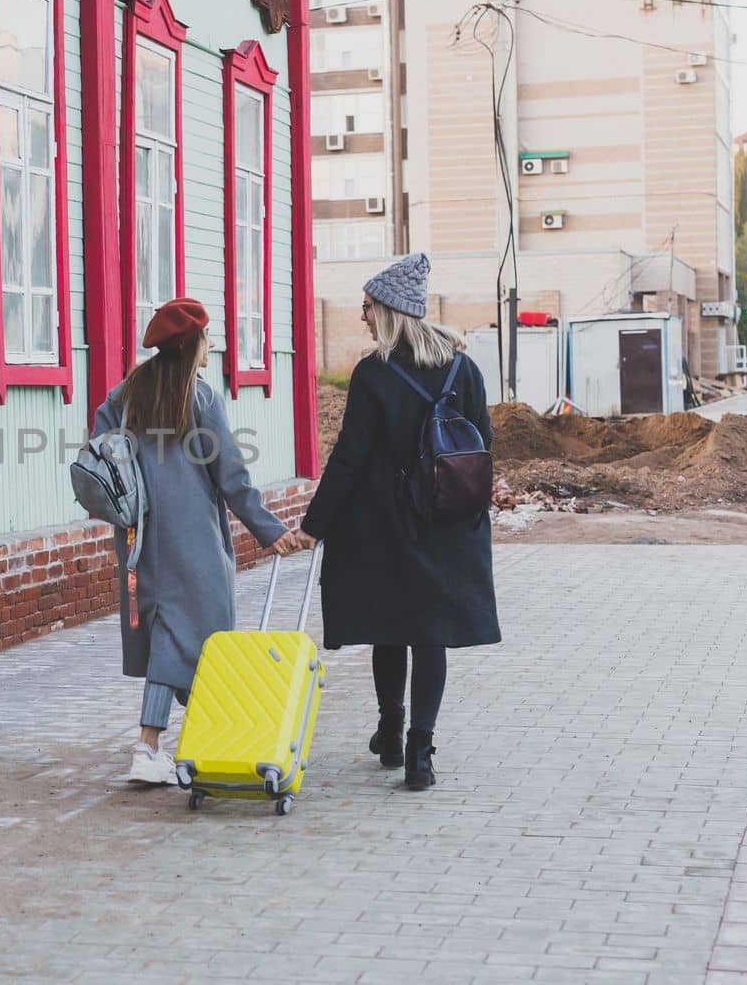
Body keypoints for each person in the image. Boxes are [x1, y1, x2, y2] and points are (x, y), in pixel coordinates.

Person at [291, 254, 501, 790]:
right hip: (448, 517)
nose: (361, 316)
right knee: (430, 635)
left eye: (366, 307)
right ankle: (419, 754)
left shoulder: (374, 373)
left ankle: (390, 729)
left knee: (391, 627)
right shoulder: (465, 368)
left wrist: (315, 524)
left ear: (388, 311)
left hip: (384, 522)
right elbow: (484, 441)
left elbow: (350, 457)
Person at [92, 297, 298, 785]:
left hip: (138, 536)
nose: (214, 346)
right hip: (192, 536)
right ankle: (148, 745)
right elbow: (231, 474)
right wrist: (270, 530)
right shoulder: (200, 398)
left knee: (169, 630)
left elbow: (100, 460)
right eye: (208, 338)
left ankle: (189, 737)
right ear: (190, 346)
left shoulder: (122, 397)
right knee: (194, 632)